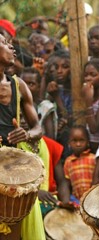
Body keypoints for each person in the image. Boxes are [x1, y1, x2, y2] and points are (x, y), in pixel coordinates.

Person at [0, 33, 45, 239]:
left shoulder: (19, 86)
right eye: (4, 43)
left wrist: (26, 133)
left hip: (12, 174)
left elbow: (38, 129)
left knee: (12, 232)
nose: (12, 48)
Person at [64, 125, 95, 202]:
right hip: (76, 200)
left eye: (81, 140)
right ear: (69, 143)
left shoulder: (93, 158)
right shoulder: (68, 161)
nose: (78, 144)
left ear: (87, 142)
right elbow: (67, 184)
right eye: (74, 141)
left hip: (93, 198)